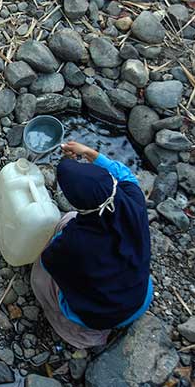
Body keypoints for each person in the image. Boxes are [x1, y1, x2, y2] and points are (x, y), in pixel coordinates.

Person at [30, 140, 152, 349]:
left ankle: (83, 335)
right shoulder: (133, 199)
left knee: (40, 277)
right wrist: (89, 153)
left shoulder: (76, 242)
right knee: (69, 220)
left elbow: (50, 259)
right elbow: (124, 175)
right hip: (141, 297)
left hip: (104, 316)